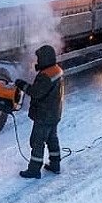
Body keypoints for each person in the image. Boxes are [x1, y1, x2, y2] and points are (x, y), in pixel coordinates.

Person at [14, 45, 65, 179]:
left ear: (45, 59)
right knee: (52, 139)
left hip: (44, 115)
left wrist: (21, 84)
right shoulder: (57, 70)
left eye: (39, 58)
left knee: (37, 141)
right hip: (54, 113)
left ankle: (34, 170)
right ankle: (55, 165)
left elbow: (35, 92)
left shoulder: (46, 76)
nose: (37, 61)